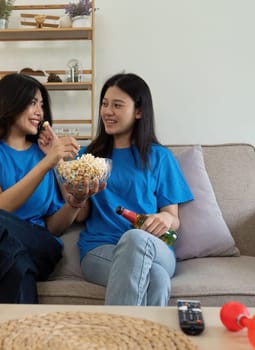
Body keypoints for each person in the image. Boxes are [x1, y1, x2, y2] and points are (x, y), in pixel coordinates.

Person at [0, 73, 95, 304]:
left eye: (42, 105)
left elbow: (54, 227)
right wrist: (48, 162)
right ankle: (22, 337)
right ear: (9, 103)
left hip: (38, 247)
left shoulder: (45, 155)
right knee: (13, 259)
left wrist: (71, 193)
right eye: (32, 103)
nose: (39, 112)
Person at [74, 73, 194, 306]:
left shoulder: (160, 157)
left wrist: (164, 219)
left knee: (135, 238)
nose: (107, 111)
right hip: (100, 249)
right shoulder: (87, 157)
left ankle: (118, 339)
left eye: (117, 105)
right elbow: (80, 215)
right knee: (157, 280)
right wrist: (76, 194)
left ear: (139, 112)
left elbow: (173, 218)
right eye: (105, 104)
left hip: (153, 246)